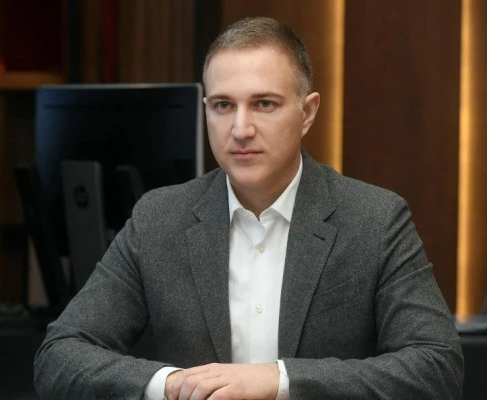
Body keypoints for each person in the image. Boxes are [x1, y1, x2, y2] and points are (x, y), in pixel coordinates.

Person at [34, 17, 463, 399]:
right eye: (223, 106)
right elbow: (60, 355)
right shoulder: (159, 219)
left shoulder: (375, 219)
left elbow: (437, 367)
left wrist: (280, 381)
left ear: (307, 112)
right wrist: (171, 385)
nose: (240, 129)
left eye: (264, 104)